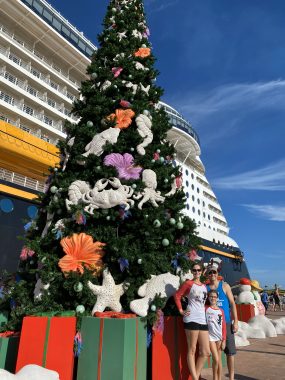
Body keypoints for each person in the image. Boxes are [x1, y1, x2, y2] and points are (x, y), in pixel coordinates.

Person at [174, 263, 210, 380]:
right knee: (192, 349)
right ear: (192, 271)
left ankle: (195, 376)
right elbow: (177, 295)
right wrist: (180, 310)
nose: (196, 272)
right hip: (191, 318)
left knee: (205, 352)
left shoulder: (204, 286)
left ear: (201, 271)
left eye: (198, 270)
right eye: (194, 270)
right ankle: (195, 378)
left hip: (202, 319)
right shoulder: (188, 283)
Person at [206, 264, 238, 380]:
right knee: (216, 356)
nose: (212, 274)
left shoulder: (224, 286)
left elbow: (232, 304)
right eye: (210, 273)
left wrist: (236, 321)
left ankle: (231, 377)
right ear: (207, 275)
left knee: (230, 353)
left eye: (214, 272)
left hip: (227, 323)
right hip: (213, 327)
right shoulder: (206, 288)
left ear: (217, 273)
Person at [206, 289, 226, 380]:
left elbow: (224, 326)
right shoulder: (205, 309)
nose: (213, 298)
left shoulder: (221, 311)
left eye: (214, 297)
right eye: (211, 296)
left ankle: (219, 378)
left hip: (219, 337)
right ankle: (215, 378)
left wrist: (224, 340)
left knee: (219, 361)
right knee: (216, 359)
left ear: (217, 298)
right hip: (210, 337)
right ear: (208, 297)